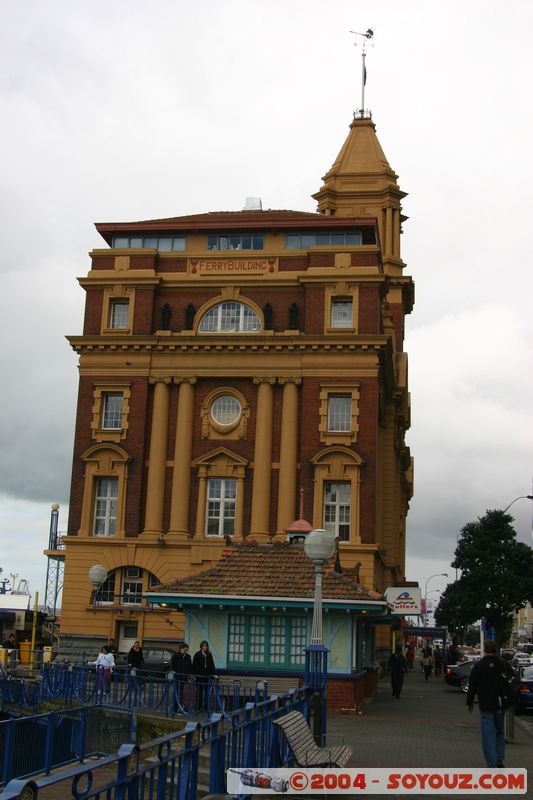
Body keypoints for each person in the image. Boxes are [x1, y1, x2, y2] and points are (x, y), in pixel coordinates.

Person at [466, 639, 513, 768]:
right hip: (500, 704)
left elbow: (472, 685)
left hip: (486, 705)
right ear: (495, 650)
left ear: (485, 650)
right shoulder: (503, 664)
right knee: (499, 731)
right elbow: (511, 678)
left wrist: (469, 702)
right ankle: (499, 758)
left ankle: (491, 764)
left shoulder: (479, 666)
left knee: (488, 735)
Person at [192, 640, 216, 712]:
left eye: (206, 646)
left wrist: (213, 674)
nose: (205, 647)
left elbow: (212, 665)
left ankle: (205, 707)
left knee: (206, 692)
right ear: (201, 646)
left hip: (207, 676)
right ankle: (198, 707)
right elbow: (194, 665)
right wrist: (195, 674)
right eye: (204, 646)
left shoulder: (209, 654)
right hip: (199, 676)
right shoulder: (197, 654)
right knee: (199, 692)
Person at [170, 643, 192, 711]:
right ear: (181, 649)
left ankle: (181, 707)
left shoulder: (188, 657)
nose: (186, 652)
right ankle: (174, 708)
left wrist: (189, 676)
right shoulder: (175, 656)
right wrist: (174, 674)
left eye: (186, 650)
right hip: (177, 678)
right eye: (185, 650)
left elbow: (190, 667)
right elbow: (172, 666)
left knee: (182, 694)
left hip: (183, 678)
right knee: (175, 693)